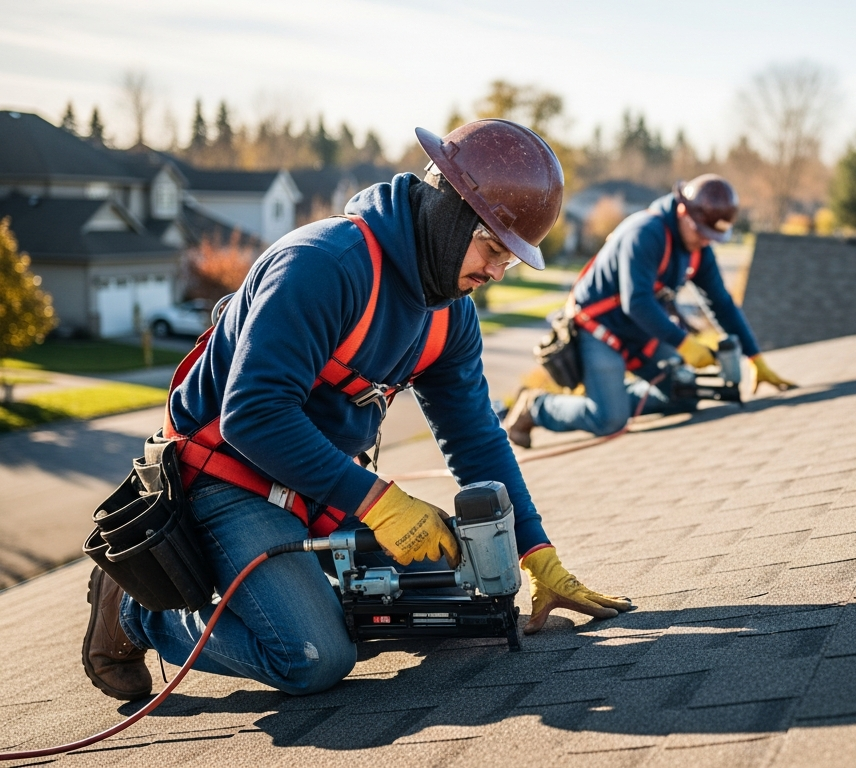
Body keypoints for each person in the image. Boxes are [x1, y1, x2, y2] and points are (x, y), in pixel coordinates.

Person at [81, 120, 631, 702]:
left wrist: (535, 549)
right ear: (448, 213)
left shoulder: (449, 310)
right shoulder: (323, 265)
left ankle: (304, 601)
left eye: (510, 260)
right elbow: (253, 414)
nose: (496, 271)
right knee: (313, 657)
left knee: (449, 606)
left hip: (318, 482)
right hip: (226, 479)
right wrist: (380, 503)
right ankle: (139, 612)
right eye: (492, 247)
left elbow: (475, 436)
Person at [505, 174, 794, 447]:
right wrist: (685, 344)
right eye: (701, 232)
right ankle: (537, 406)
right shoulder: (645, 233)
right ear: (683, 210)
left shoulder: (698, 249)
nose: (705, 241)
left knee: (685, 394)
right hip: (598, 329)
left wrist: (754, 357)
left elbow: (721, 304)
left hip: (640, 330)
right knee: (609, 420)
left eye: (711, 236)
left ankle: (613, 398)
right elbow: (637, 302)